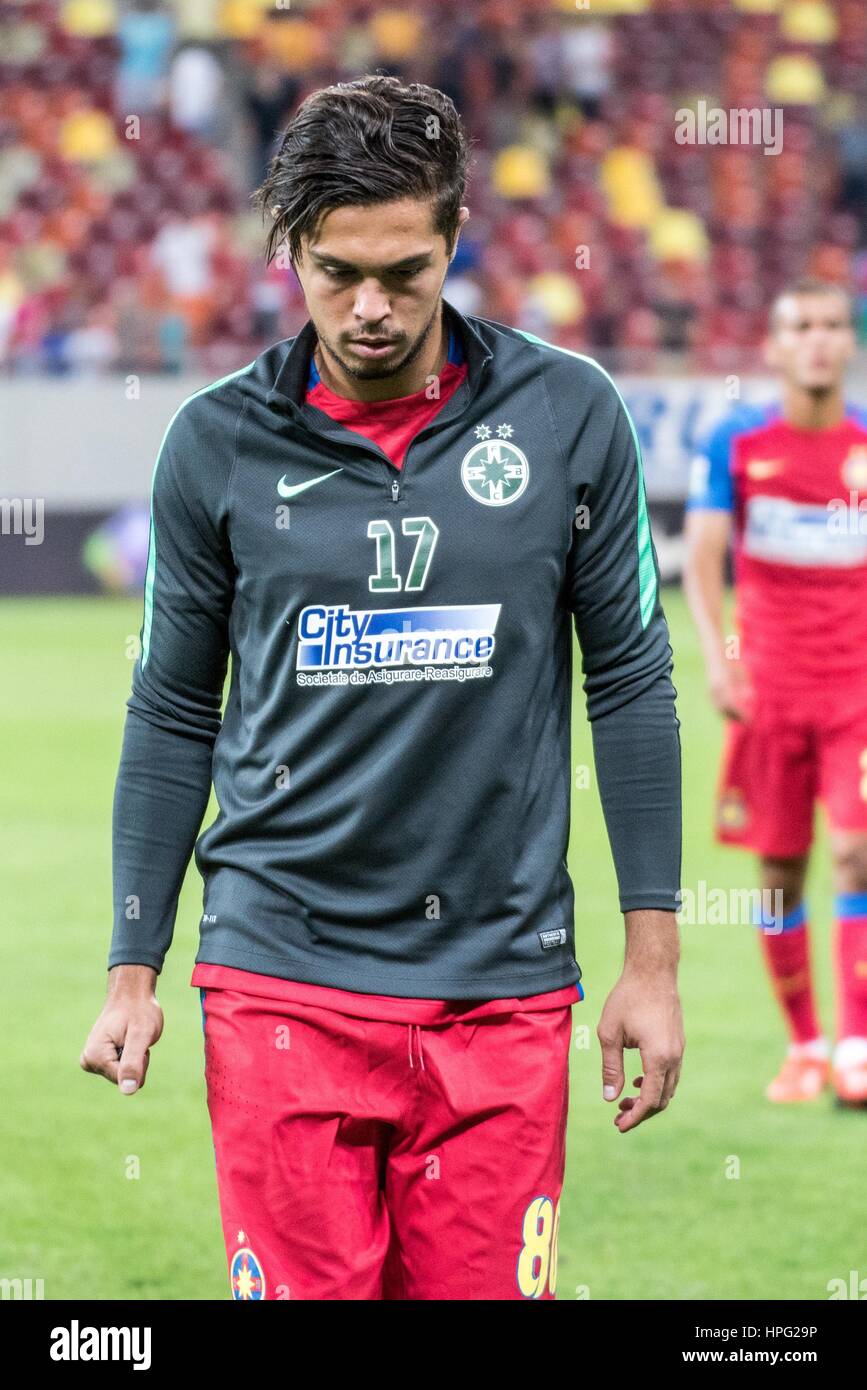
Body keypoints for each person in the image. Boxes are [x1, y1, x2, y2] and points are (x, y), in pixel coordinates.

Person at [81, 75, 683, 1301]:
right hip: (278, 982)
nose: (368, 308)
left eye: (404, 271)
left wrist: (654, 962)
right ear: (288, 252)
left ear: (456, 236)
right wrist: (132, 968)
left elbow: (629, 678)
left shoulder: (570, 415)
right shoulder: (213, 444)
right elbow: (170, 706)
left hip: (503, 988)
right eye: (333, 270)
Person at [684, 279, 867, 1107]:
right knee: (776, 872)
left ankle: (857, 1042)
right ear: (774, 343)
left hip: (857, 689)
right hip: (770, 690)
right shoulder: (735, 440)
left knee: (854, 851)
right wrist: (720, 663)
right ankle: (803, 1044)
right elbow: (699, 558)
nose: (819, 340)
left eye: (832, 325)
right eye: (801, 325)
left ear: (847, 342)